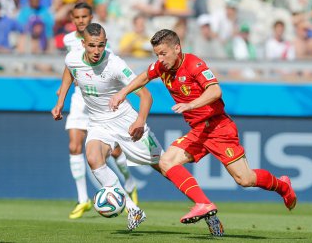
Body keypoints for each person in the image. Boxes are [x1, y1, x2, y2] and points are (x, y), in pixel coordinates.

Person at [109, 29, 297, 231]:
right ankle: (205, 206)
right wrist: (123, 92)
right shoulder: (162, 67)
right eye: (157, 55)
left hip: (218, 127)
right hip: (199, 130)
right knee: (167, 162)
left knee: (245, 179)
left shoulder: (193, 64)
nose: (160, 59)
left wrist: (191, 105)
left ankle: (282, 185)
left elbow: (215, 90)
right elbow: (145, 76)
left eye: (163, 53)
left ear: (177, 48)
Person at [51, 22, 164, 231]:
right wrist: (60, 101)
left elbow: (145, 94)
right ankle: (132, 209)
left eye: (101, 45)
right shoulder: (73, 58)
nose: (96, 51)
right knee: (93, 158)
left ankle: (202, 204)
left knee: (165, 166)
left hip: (124, 120)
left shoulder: (115, 64)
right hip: (98, 122)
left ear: (106, 44)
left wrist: (140, 120)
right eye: (92, 46)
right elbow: (69, 70)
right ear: (83, 44)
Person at [59, 2, 138, 220]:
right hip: (80, 98)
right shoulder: (68, 41)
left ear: (91, 17)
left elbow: (112, 73)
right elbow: (69, 66)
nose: (81, 20)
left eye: (85, 16)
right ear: (72, 19)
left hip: (102, 104)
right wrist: (62, 93)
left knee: (113, 152)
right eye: (77, 17)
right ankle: (83, 199)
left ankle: (129, 181)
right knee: (74, 145)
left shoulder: (102, 47)